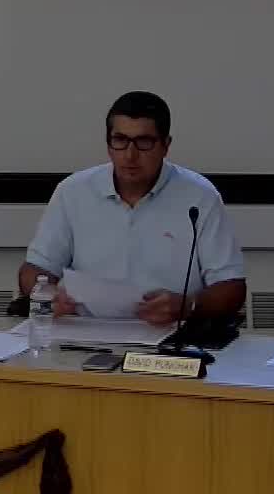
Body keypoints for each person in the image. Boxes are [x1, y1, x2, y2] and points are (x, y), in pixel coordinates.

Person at [19, 91, 247, 325]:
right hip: (84, 331)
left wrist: (188, 305)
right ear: (108, 145)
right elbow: (34, 269)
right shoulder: (73, 192)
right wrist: (47, 294)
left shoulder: (200, 197)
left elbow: (231, 287)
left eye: (144, 142)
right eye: (120, 140)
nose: (130, 155)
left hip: (172, 333)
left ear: (166, 145)